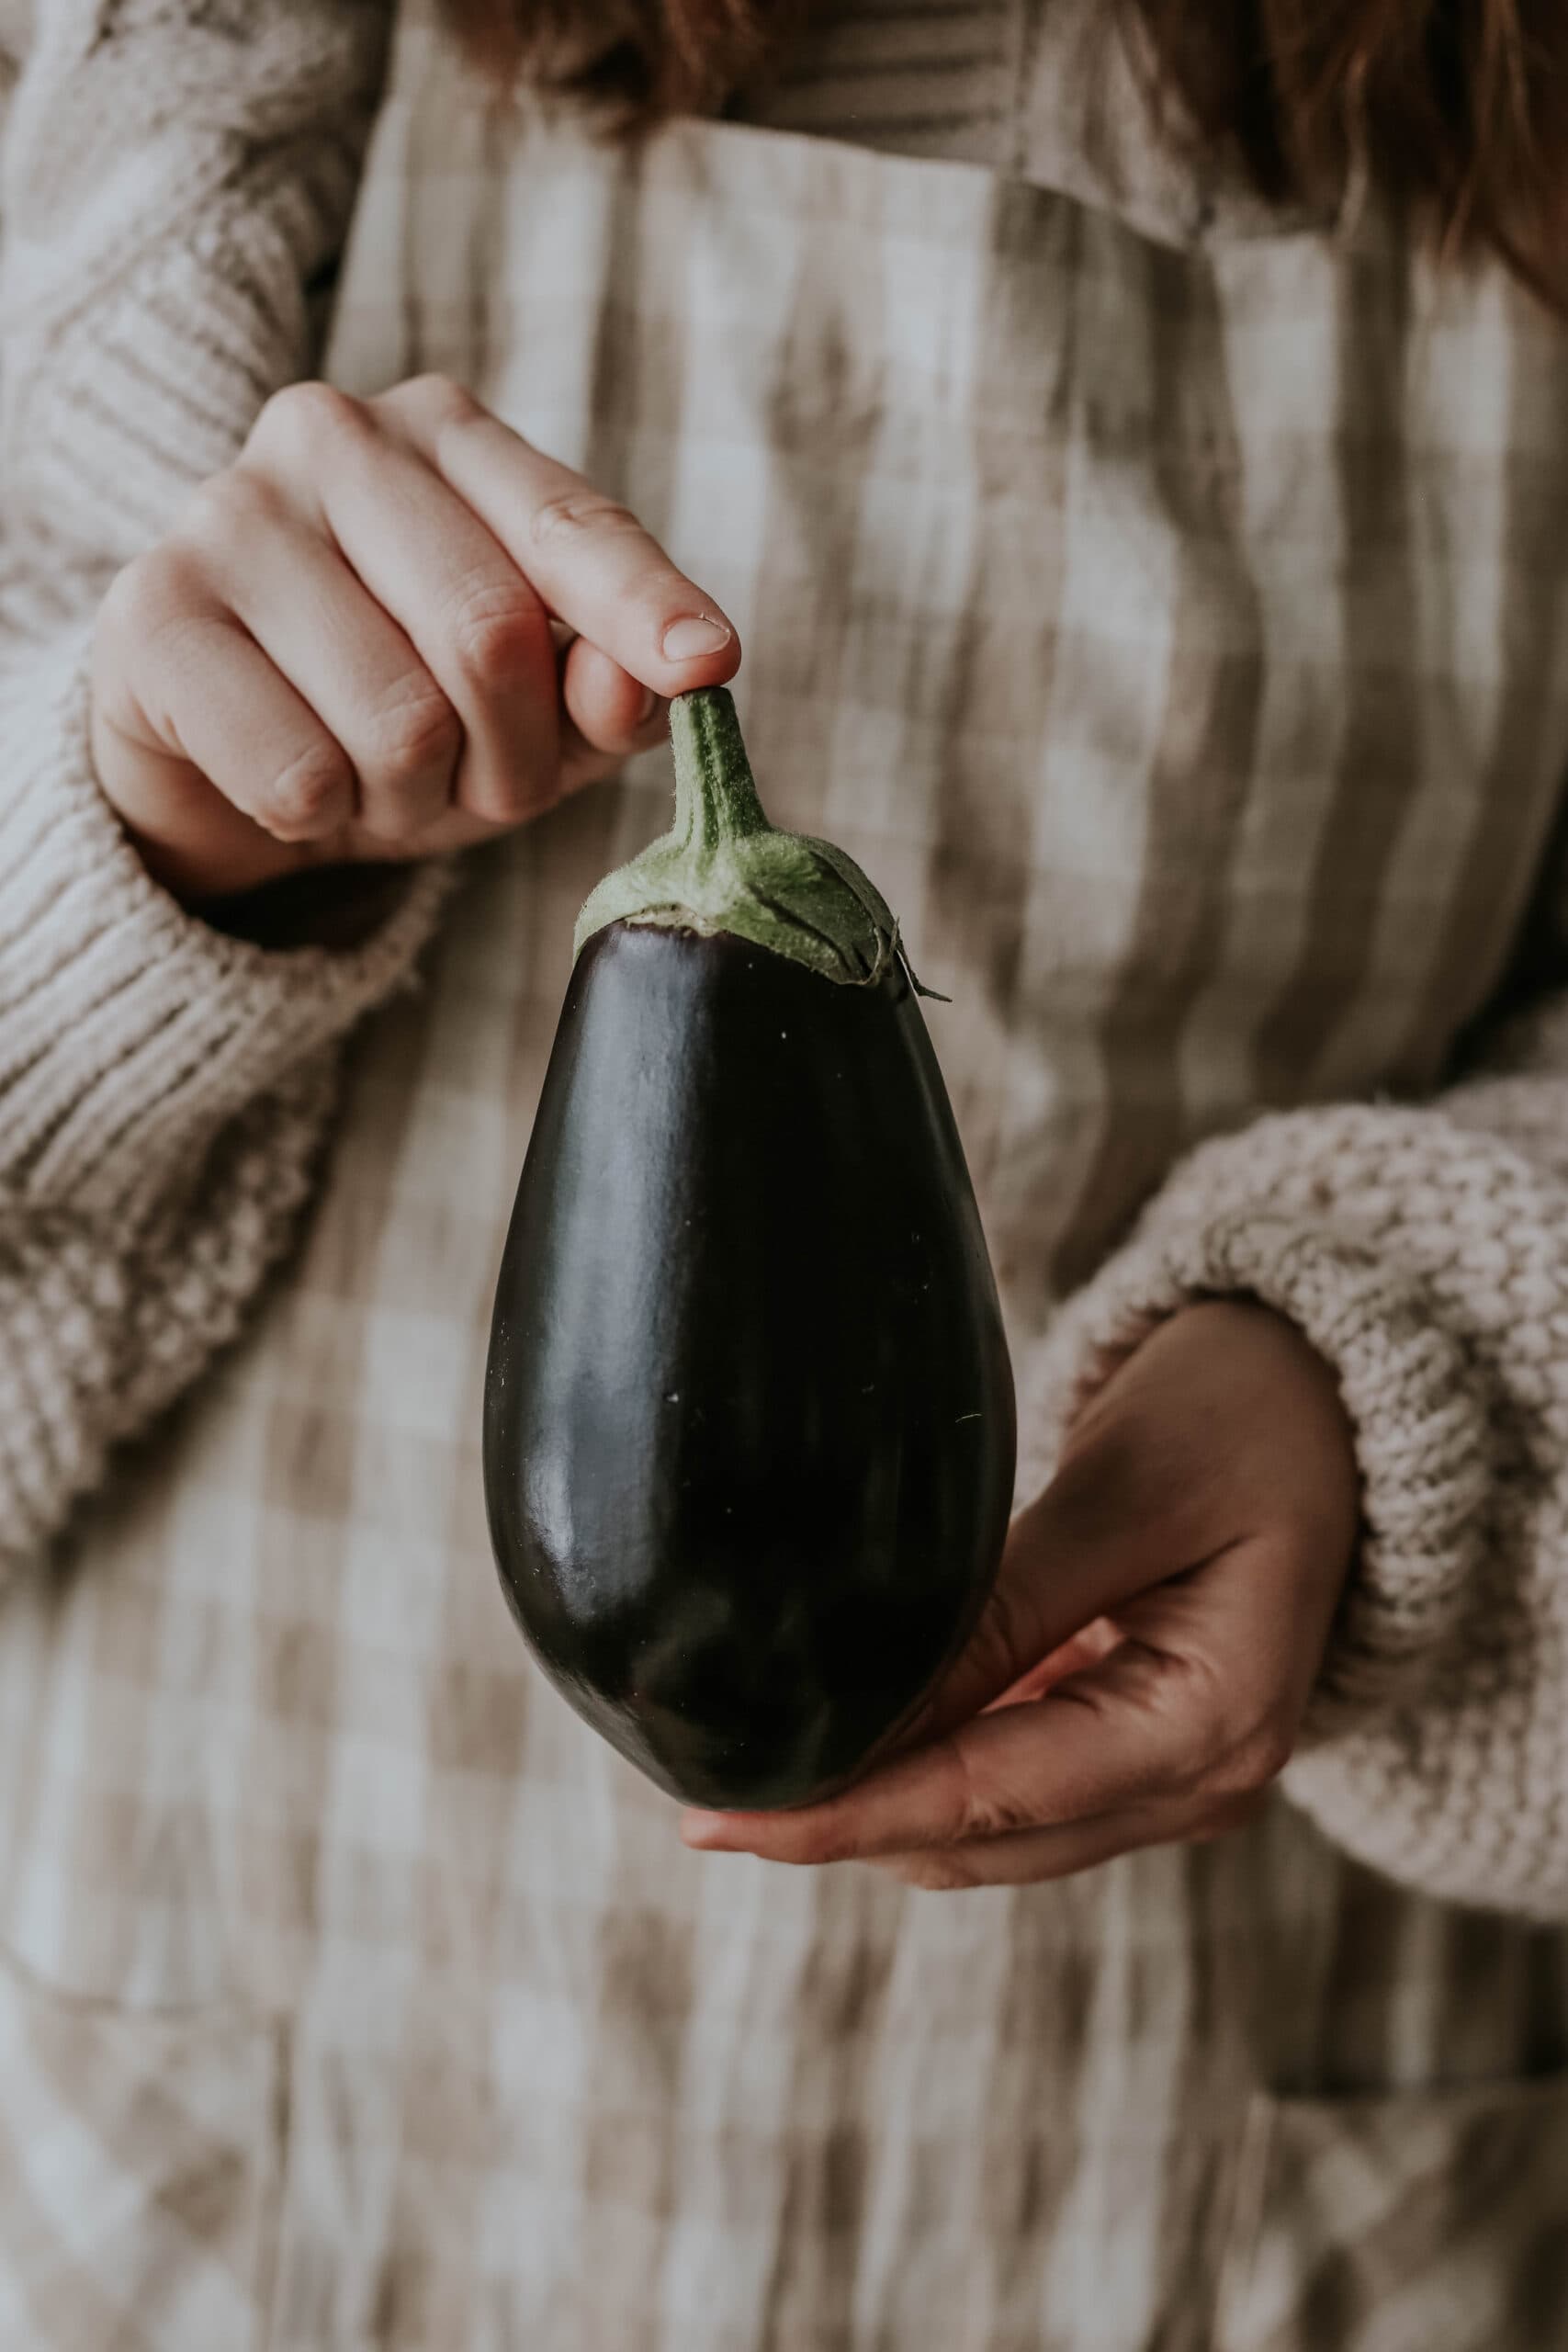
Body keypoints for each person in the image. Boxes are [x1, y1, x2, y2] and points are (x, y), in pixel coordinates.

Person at [1, 0, 1566, 2341]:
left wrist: (1410, 1372)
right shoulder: (186, 51)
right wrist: (135, 843)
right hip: (263, 2160)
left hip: (1219, 2178)